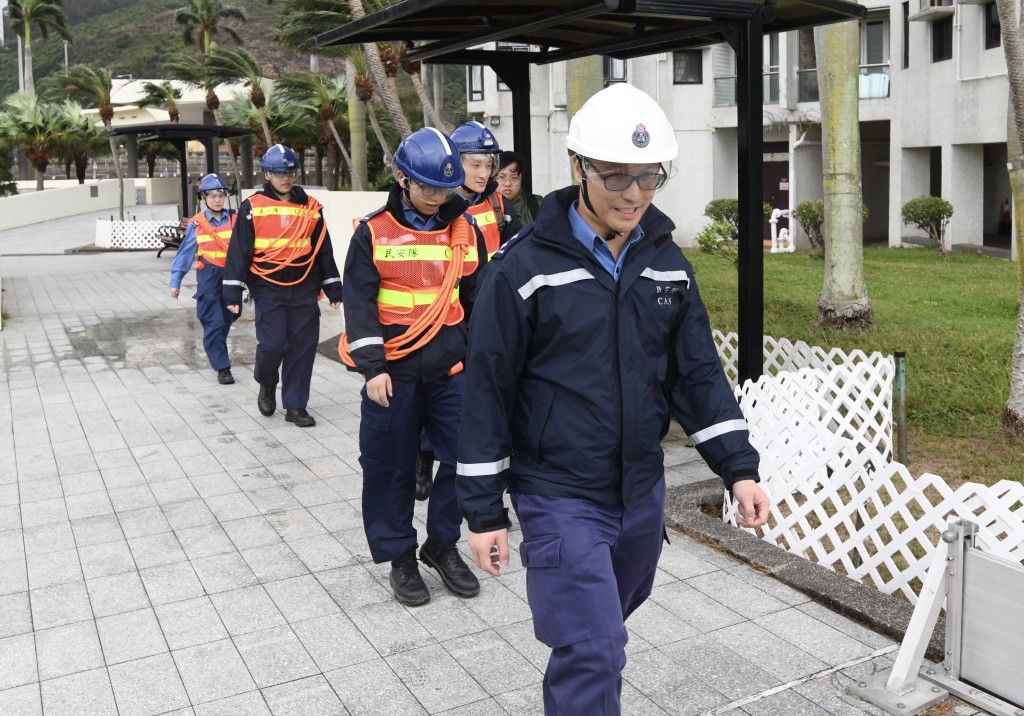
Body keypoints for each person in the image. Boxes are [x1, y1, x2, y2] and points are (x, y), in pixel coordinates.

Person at [455, 83, 771, 715]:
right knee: (596, 646)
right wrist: (483, 510)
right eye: (616, 177)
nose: (634, 194)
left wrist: (739, 468)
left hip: (639, 493)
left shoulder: (667, 264)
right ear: (578, 168)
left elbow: (696, 375)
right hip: (558, 491)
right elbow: (487, 388)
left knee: (599, 637)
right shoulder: (522, 269)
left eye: (649, 178)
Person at [341, 127, 489, 607]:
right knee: (390, 467)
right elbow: (359, 305)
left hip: (450, 370)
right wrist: (372, 368)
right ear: (403, 179)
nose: (435, 197)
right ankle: (400, 555)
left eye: (444, 188)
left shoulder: (463, 229)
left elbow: (478, 298)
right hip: (394, 372)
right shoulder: (372, 231)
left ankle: (441, 545)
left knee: (468, 461)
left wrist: (476, 358)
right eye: (427, 187)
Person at [410, 121, 524, 502]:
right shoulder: (436, 205)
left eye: (487, 165)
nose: (483, 173)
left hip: (490, 309)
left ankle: (480, 481)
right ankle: (424, 453)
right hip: (449, 317)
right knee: (447, 400)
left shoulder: (495, 203)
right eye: (473, 164)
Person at [222, 144, 343, 428]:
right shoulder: (252, 207)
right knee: (273, 345)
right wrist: (232, 293)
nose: (285, 178)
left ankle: (296, 406)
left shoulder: (311, 208)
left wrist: (334, 288)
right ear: (266, 173)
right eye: (278, 173)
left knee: (302, 348)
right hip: (268, 287)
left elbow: (323, 249)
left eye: (290, 172)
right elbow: (239, 251)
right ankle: (267, 382)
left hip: (304, 287)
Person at [169, 173, 240, 385]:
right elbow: (184, 254)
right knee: (214, 322)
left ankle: (215, 344)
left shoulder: (235, 220)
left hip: (231, 277)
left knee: (228, 318)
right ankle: (222, 367)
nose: (217, 199)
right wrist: (176, 282)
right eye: (212, 195)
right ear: (203, 198)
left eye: (221, 195)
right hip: (208, 277)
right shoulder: (196, 225)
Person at [496, 151, 542, 225]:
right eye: (501, 177)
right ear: (492, 178)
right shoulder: (482, 206)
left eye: (514, 178)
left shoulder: (538, 205)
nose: (508, 183)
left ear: (521, 179)